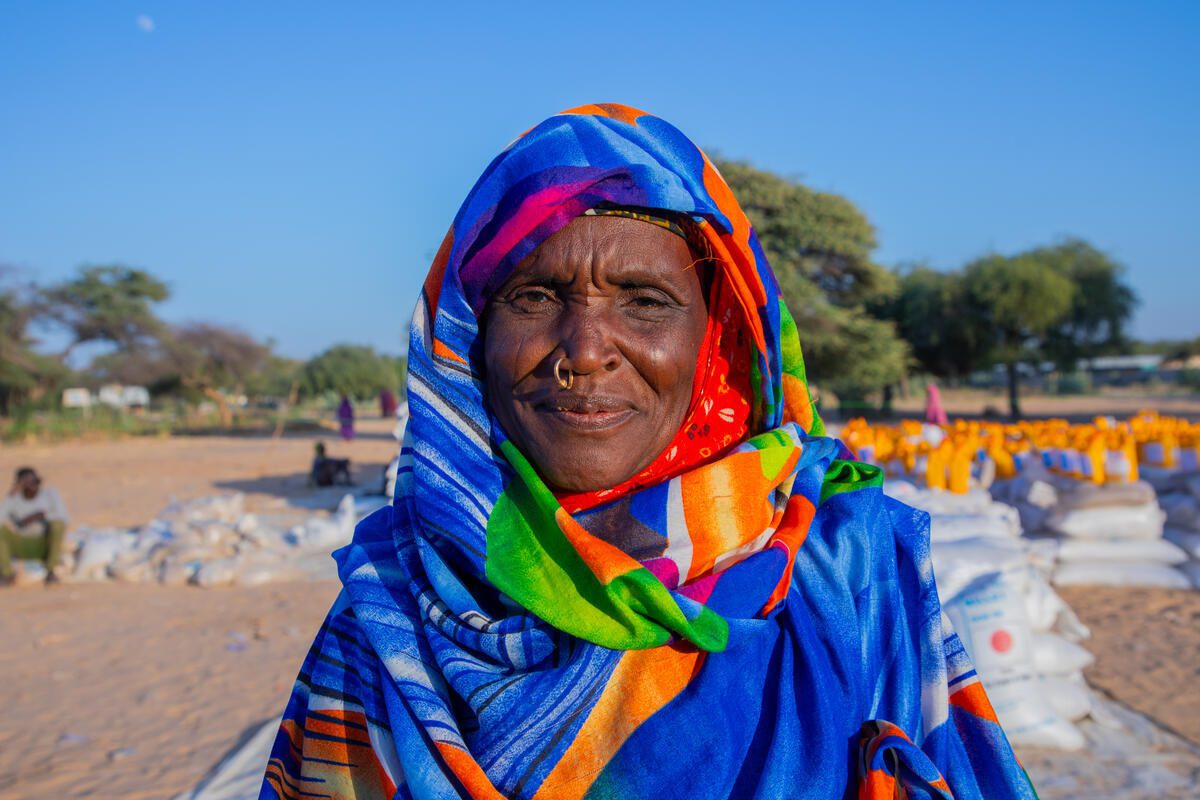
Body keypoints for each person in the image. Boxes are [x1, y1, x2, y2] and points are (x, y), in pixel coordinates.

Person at [263, 104, 1036, 799]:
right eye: (533, 297)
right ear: (466, 340)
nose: (586, 350)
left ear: (722, 339)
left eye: (644, 301)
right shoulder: (396, 600)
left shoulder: (854, 566)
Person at [0, 467, 69, 586]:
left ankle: (51, 570)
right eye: (26, 482)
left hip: (44, 542)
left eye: (33, 480)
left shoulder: (50, 494)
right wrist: (10, 496)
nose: (31, 484)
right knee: (2, 531)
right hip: (22, 544)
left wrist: (40, 516)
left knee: (57, 525)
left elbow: (64, 518)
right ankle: (6, 574)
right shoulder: (14, 498)